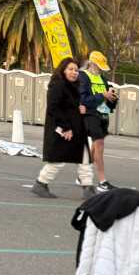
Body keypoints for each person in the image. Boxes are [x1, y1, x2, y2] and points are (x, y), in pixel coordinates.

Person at [32, 57, 93, 199]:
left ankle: (88, 187)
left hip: (77, 129)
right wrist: (65, 128)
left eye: (76, 70)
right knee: (58, 160)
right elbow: (54, 107)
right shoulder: (58, 85)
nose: (74, 72)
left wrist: (81, 107)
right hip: (63, 129)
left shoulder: (75, 86)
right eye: (70, 69)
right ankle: (41, 183)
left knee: (84, 157)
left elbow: (71, 105)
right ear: (63, 70)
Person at [78, 51, 118, 192]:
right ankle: (102, 181)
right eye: (99, 66)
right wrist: (102, 95)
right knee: (99, 144)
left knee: (95, 147)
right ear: (92, 63)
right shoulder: (83, 77)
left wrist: (112, 98)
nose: (100, 69)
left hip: (102, 116)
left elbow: (108, 98)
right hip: (89, 115)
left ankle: (83, 173)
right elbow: (83, 99)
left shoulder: (102, 78)